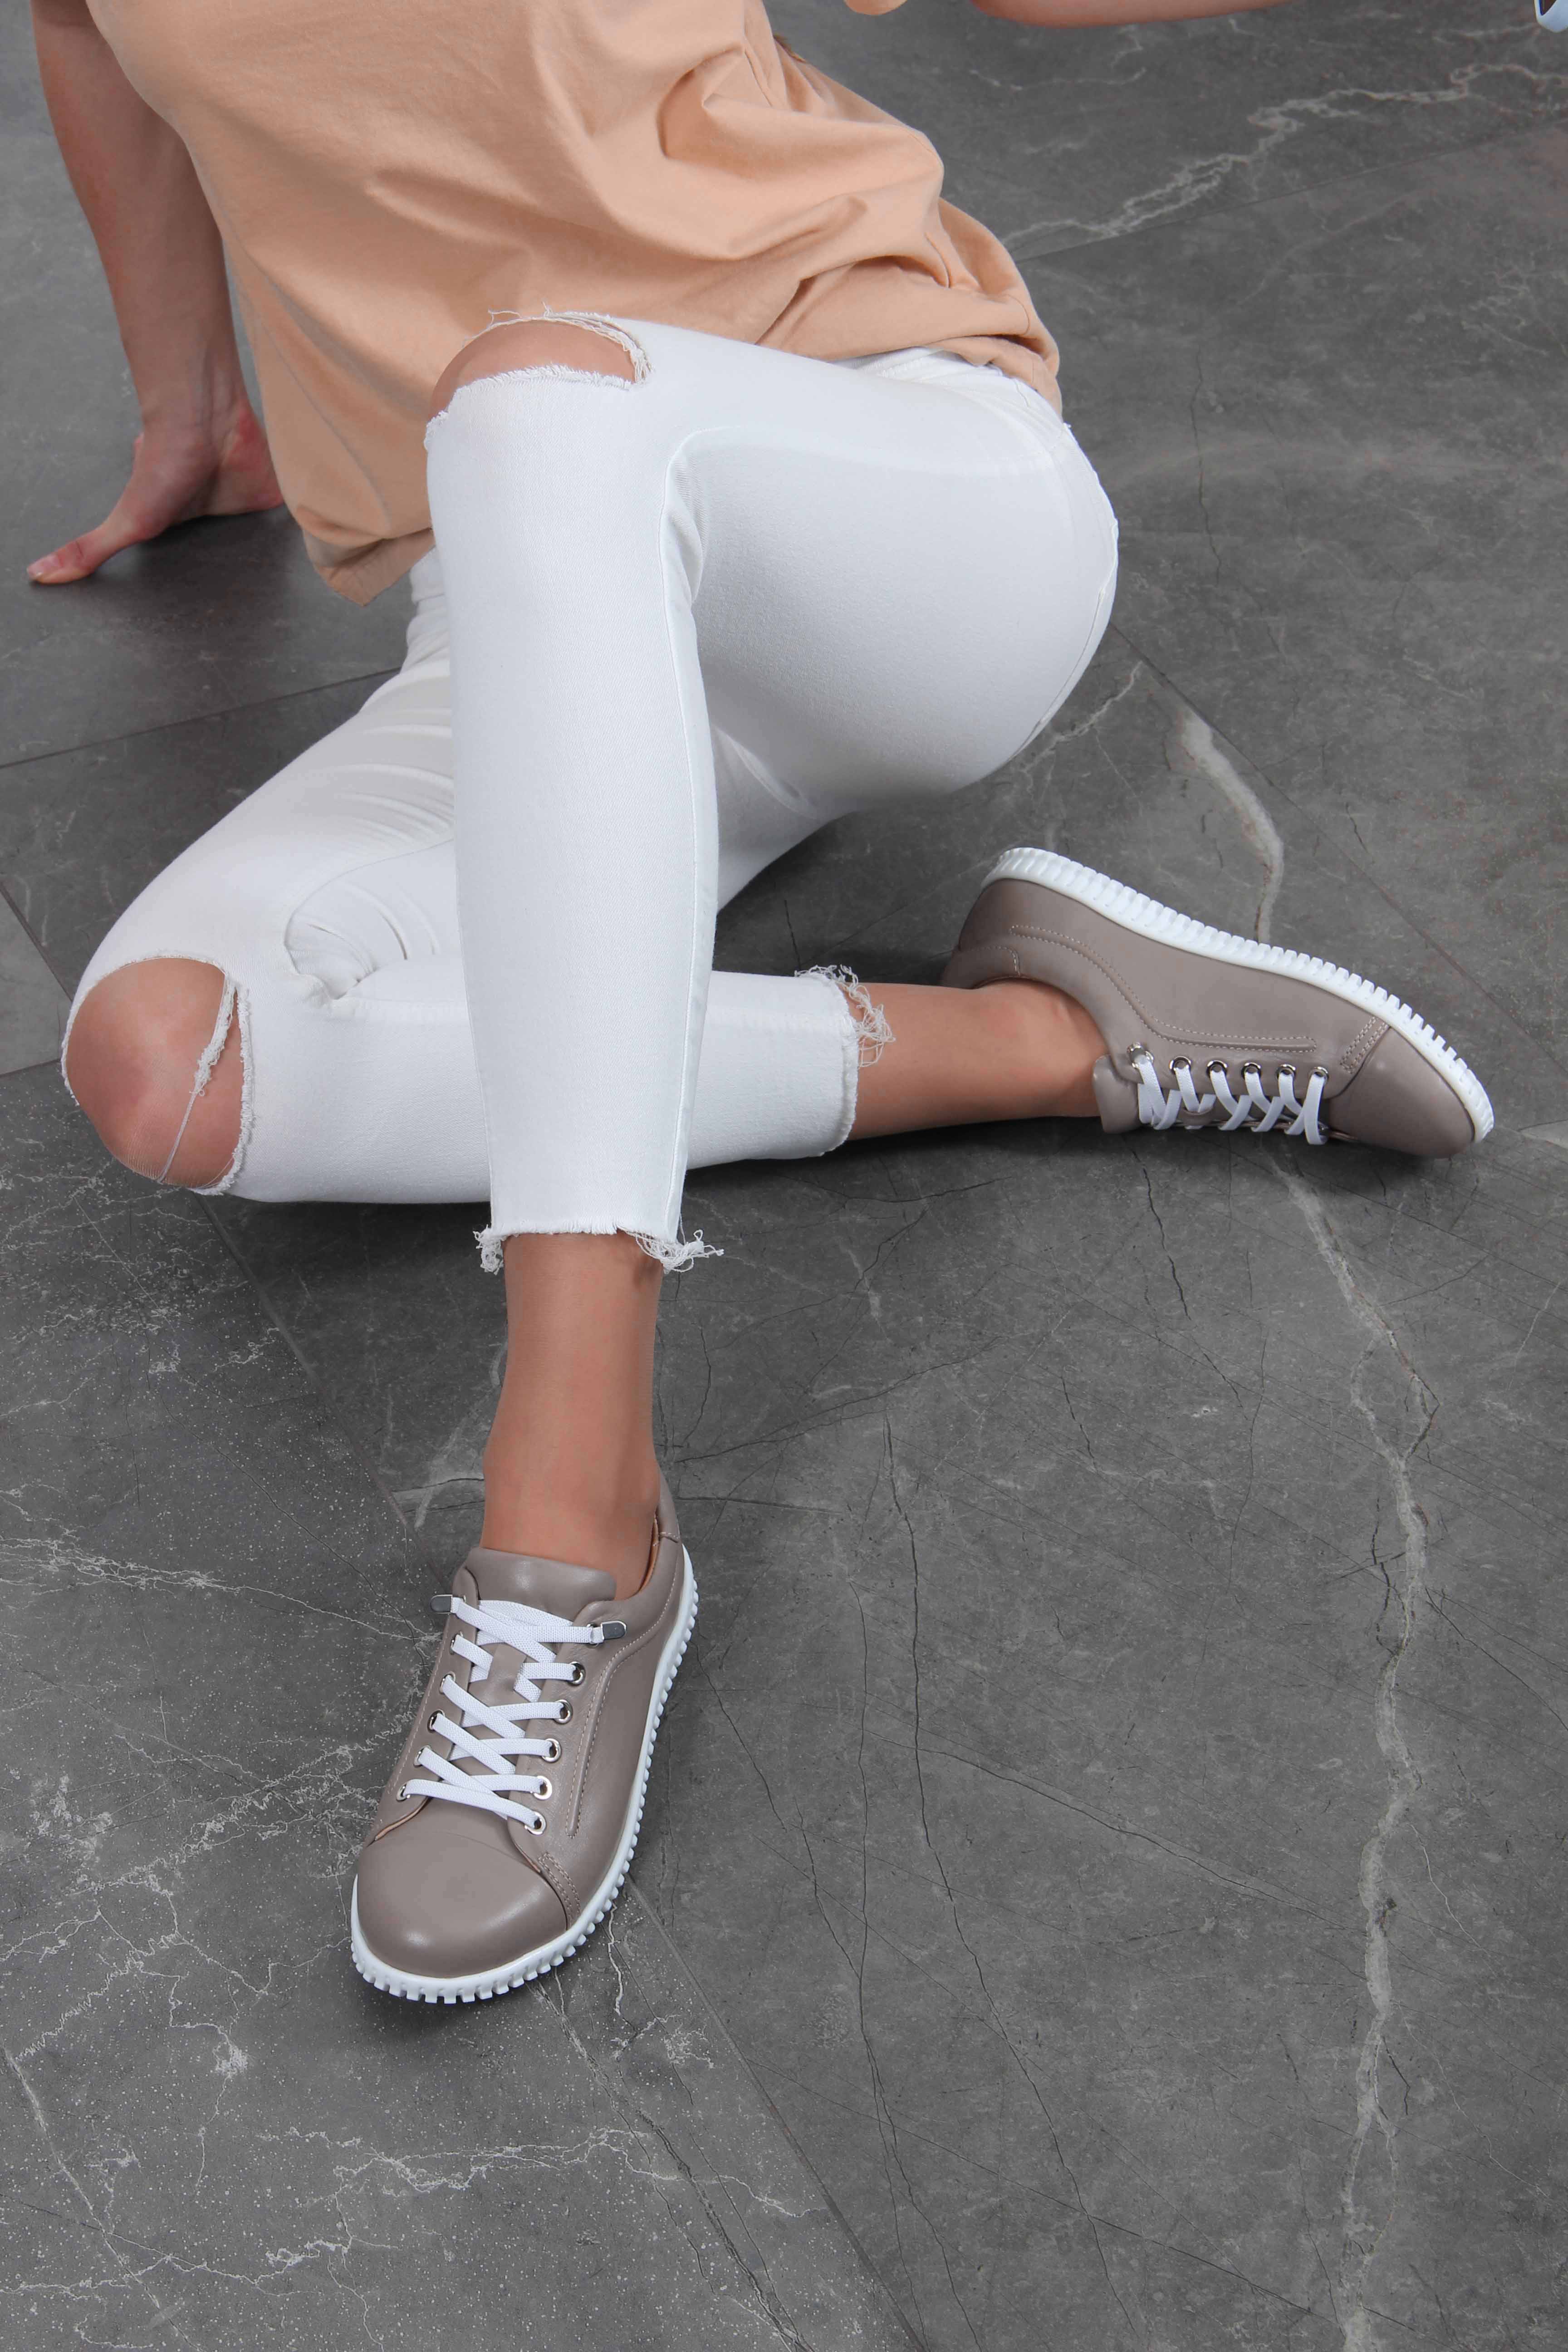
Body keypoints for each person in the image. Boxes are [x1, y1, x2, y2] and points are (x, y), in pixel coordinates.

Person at [29, 0, 1489, 2009]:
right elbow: (91, 36)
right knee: (175, 1057)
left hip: (884, 500)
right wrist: (191, 409)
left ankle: (578, 1535)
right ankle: (1047, 1035)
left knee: (538, 403)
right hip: (522, 594)